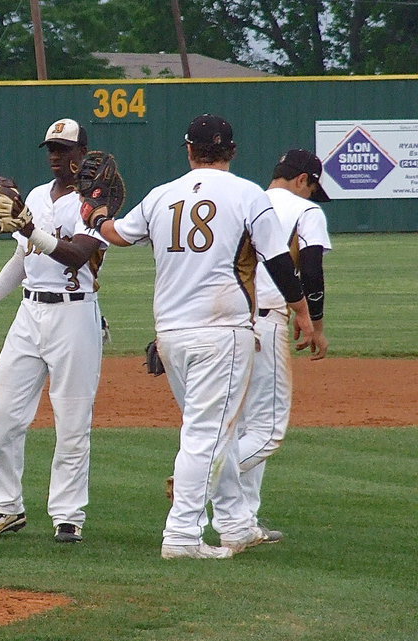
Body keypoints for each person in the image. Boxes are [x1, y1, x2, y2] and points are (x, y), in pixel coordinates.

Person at [86, 114, 315, 559]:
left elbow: (116, 234)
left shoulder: (162, 195)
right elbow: (278, 262)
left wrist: (95, 214)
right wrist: (303, 313)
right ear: (232, 151)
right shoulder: (249, 194)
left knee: (213, 431)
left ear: (189, 150)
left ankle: (236, 523)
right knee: (206, 435)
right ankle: (182, 536)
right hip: (222, 330)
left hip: (170, 332)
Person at [0, 118, 109, 544]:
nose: (55, 156)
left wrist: (30, 226)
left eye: (64, 149)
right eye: (50, 148)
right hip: (30, 314)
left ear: (82, 154)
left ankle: (69, 515)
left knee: (71, 420)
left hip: (75, 315)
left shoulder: (94, 203)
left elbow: (75, 256)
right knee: (4, 409)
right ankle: (6, 506)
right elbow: (22, 257)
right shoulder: (33, 196)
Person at [237, 149, 332, 541]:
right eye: (312, 187)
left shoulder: (246, 200)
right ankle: (200, 473)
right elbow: (311, 269)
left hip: (228, 322)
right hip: (267, 323)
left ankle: (240, 521)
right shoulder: (305, 212)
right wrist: (316, 324)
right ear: (302, 179)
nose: (311, 195)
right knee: (267, 430)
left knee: (242, 425)